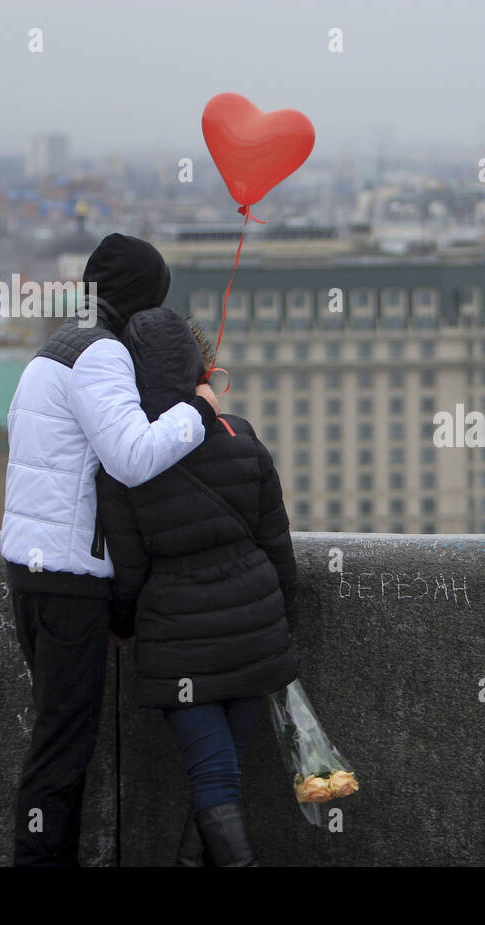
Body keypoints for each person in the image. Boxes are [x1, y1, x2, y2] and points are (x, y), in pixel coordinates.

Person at [1, 234, 221, 866]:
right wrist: (199, 410)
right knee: (61, 751)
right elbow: (132, 457)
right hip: (69, 580)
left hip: (30, 570)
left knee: (56, 738)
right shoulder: (100, 352)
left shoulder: (54, 348)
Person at [96, 308, 300, 867]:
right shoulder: (242, 438)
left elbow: (130, 573)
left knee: (215, 776)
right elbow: (277, 547)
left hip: (180, 644)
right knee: (221, 777)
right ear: (198, 368)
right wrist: (281, 626)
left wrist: (120, 626)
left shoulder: (122, 467)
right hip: (255, 633)